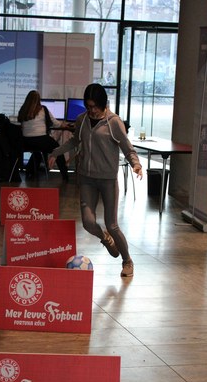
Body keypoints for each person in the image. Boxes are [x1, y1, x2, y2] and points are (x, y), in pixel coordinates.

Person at [48, 83, 143, 278]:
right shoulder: (82, 120)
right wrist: (55, 153)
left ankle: (127, 261)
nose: (91, 110)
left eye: (95, 106)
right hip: (87, 178)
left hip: (107, 179)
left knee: (112, 225)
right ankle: (105, 239)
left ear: (103, 103)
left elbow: (127, 147)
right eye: (88, 106)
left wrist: (136, 164)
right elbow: (75, 141)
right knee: (88, 223)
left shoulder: (113, 122)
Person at [18, 90, 68, 180]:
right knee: (58, 150)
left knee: (38, 151)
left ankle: (30, 172)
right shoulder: (43, 109)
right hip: (41, 141)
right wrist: (64, 125)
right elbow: (55, 123)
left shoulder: (23, 110)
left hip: (25, 142)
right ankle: (65, 176)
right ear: (38, 100)